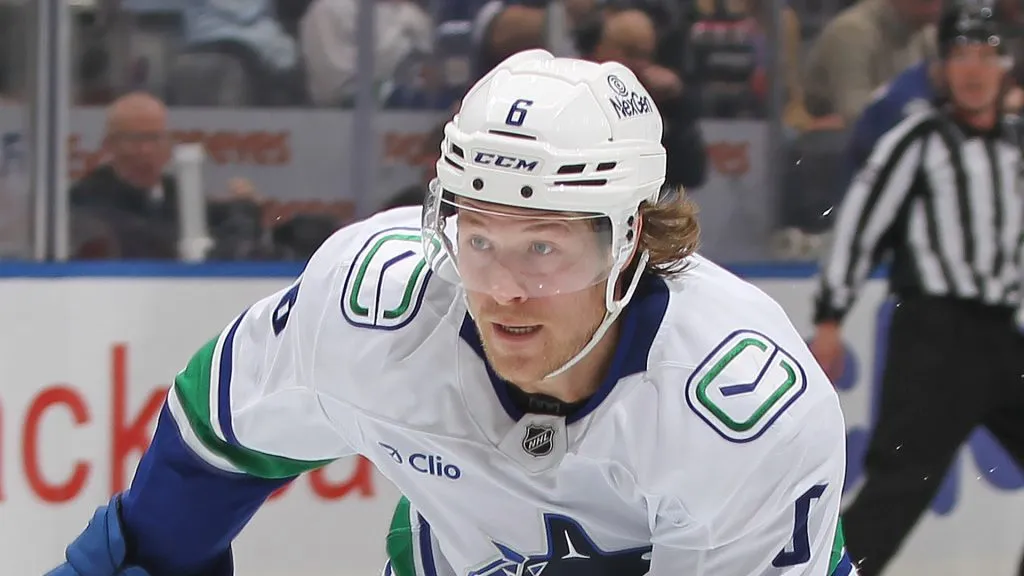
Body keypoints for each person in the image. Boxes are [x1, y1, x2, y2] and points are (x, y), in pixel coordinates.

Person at [49, 50, 853, 576]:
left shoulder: (741, 410)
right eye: (480, 237)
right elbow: (216, 440)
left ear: (632, 238)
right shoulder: (378, 306)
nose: (503, 289)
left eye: (544, 247)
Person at [810, 4, 1024, 575]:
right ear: (942, 67)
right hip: (934, 338)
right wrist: (830, 317)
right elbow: (860, 224)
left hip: (1001, 335)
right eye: (960, 56)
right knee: (900, 488)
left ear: (1007, 65)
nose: (974, 69)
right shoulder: (918, 139)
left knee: (901, 485)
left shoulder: (1013, 147)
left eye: (986, 55)